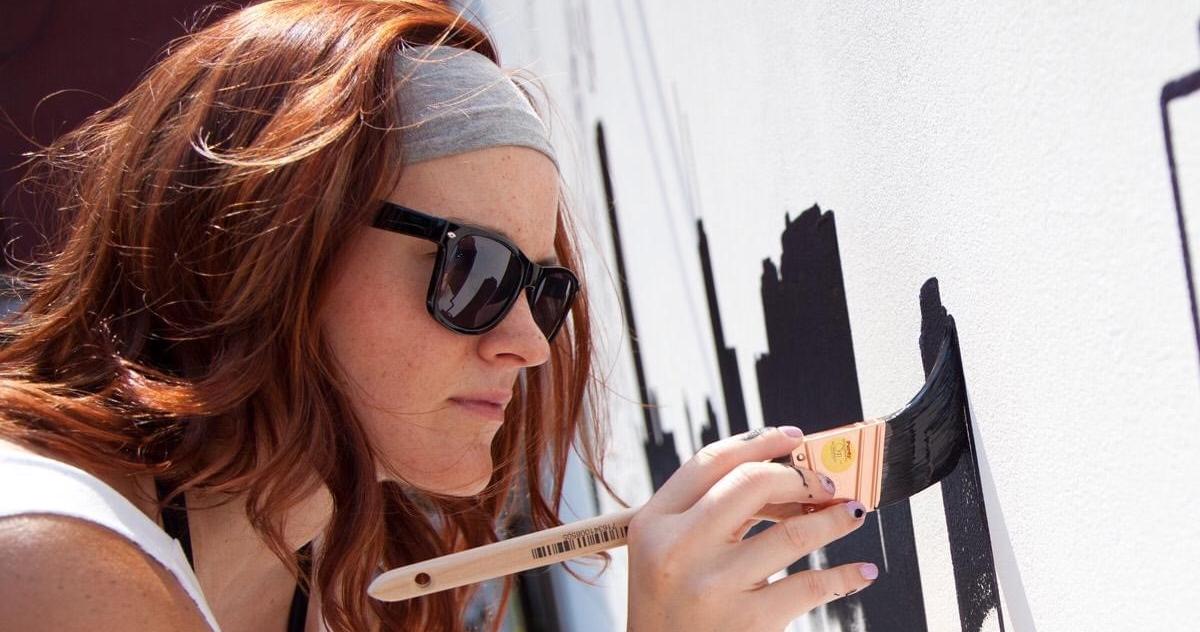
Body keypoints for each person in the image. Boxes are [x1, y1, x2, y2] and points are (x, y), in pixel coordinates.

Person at [0, 1, 878, 631]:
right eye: (475, 268)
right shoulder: (51, 559)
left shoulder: (348, 582)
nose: (531, 345)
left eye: (544, 289)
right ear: (270, 245)